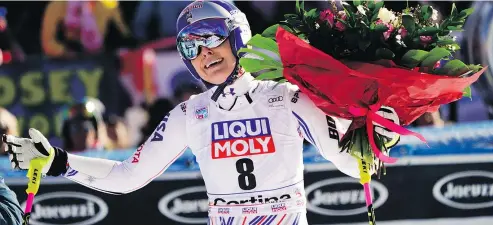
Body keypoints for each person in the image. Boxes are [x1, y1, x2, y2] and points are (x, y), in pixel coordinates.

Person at [2, 1, 401, 224]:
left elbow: (352, 166)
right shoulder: (190, 115)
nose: (204, 53)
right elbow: (128, 177)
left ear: (236, 38)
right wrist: (57, 161)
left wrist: (378, 139)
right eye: (191, 47)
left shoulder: (286, 98)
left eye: (211, 38)